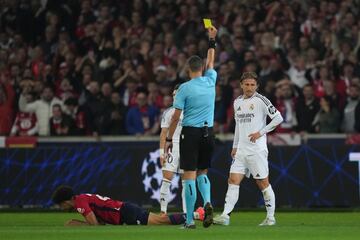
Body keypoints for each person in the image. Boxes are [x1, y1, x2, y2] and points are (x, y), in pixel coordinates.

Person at [213, 72, 283, 226]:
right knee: (233, 180)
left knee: (263, 183)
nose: (249, 87)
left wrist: (260, 132)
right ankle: (225, 216)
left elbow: (278, 118)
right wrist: (235, 146)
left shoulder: (261, 100)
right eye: (247, 84)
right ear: (241, 85)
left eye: (252, 85)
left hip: (256, 150)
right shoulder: (237, 102)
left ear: (257, 86)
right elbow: (238, 126)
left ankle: (271, 218)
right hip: (241, 150)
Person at [165, 26, 218, 229]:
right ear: (202, 68)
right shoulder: (210, 81)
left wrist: (169, 139)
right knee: (203, 172)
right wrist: (212, 40)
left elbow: (176, 118)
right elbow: (211, 60)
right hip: (208, 133)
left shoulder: (184, 89)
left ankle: (189, 221)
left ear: (188, 70)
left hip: (191, 134)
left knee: (189, 176)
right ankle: (207, 203)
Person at [52, 185, 191, 226]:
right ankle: (196, 215)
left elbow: (95, 226)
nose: (61, 208)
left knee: (162, 221)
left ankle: (196, 215)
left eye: (60, 205)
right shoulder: (81, 199)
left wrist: (75, 224)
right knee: (162, 220)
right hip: (124, 212)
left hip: (125, 212)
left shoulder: (79, 203)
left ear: (65, 201)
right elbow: (100, 223)